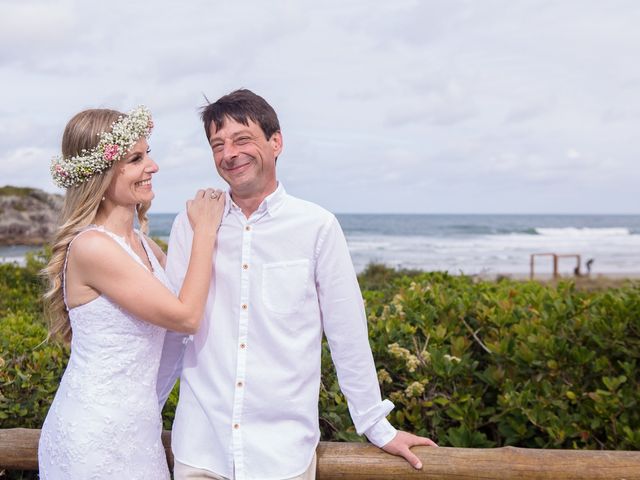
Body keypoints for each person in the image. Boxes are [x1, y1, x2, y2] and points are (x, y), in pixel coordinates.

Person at [157, 89, 437, 480]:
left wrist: (377, 425)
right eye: (217, 144)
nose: (229, 154)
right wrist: (147, 410)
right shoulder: (192, 222)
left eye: (242, 139)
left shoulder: (318, 227)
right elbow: (173, 330)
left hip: (282, 456)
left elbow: (347, 333)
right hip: (201, 449)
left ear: (276, 142)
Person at [38, 106, 225, 479]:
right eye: (136, 159)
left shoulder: (142, 245)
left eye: (148, 153)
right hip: (94, 437)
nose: (152, 166)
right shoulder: (93, 247)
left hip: (139, 434)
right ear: (101, 174)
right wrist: (204, 230)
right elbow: (185, 316)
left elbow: (195, 292)